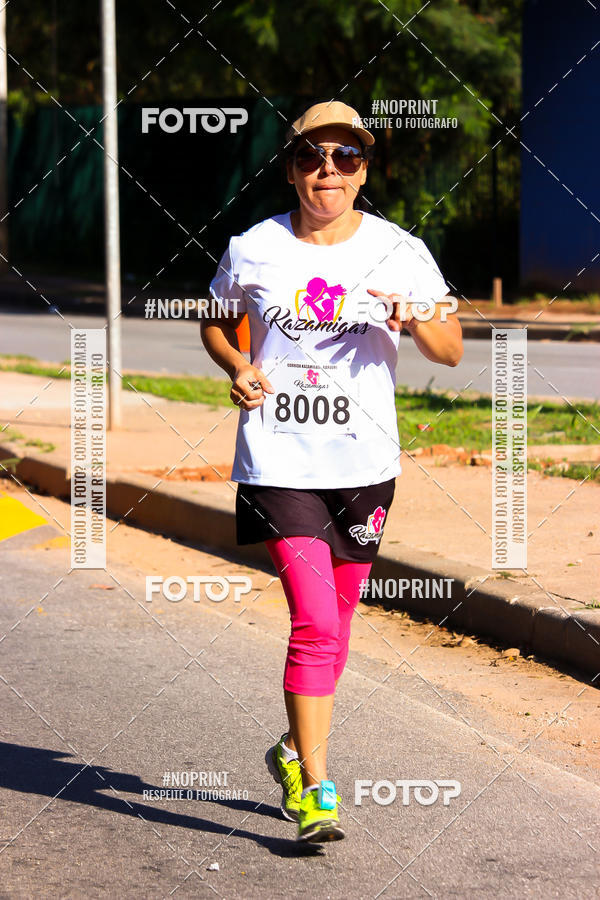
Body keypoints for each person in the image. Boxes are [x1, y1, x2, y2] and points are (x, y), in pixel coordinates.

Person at [201, 100, 463, 843]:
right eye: (314, 158)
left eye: (346, 158)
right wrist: (239, 364)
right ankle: (317, 789)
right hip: (277, 458)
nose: (329, 171)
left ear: (363, 169)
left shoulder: (399, 251)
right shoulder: (253, 246)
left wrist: (415, 317)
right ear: (291, 168)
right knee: (315, 621)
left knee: (340, 622)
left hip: (364, 462)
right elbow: (215, 320)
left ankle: (290, 750)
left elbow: (451, 349)